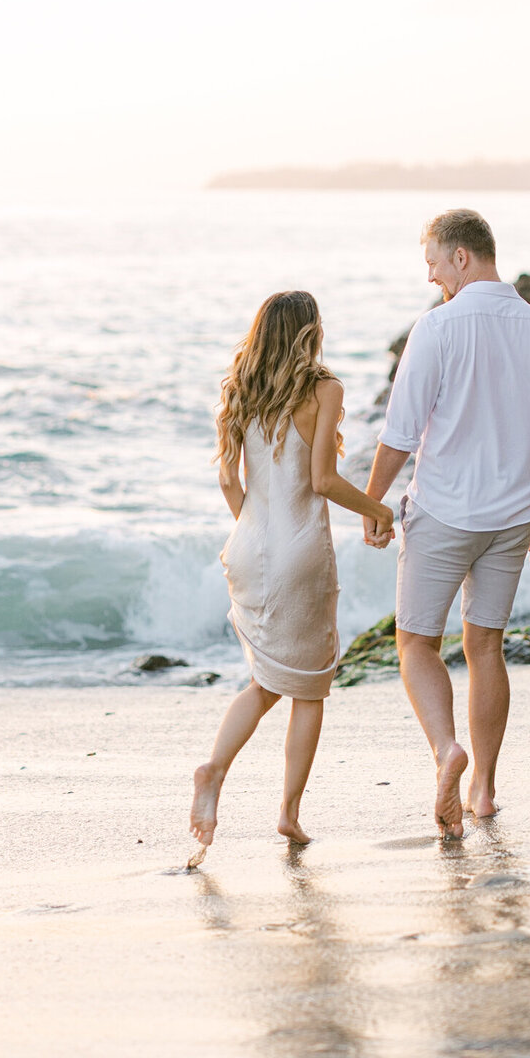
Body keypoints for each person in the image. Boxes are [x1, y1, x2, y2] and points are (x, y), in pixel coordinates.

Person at [362, 209, 530, 838]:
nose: (431, 276)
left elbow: (400, 434)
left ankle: (445, 753)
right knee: (485, 645)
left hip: (442, 513)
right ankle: (484, 790)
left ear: (463, 256)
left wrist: (376, 505)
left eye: (433, 262)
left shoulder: (435, 329)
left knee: (416, 644)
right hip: (514, 518)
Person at [189, 290, 394, 863]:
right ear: (311, 332)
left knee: (263, 681)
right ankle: (288, 813)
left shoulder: (238, 392)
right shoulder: (324, 390)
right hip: (300, 554)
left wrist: (256, 531)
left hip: (249, 547)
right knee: (310, 691)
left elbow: (231, 484)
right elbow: (323, 481)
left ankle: (213, 768)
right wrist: (379, 510)